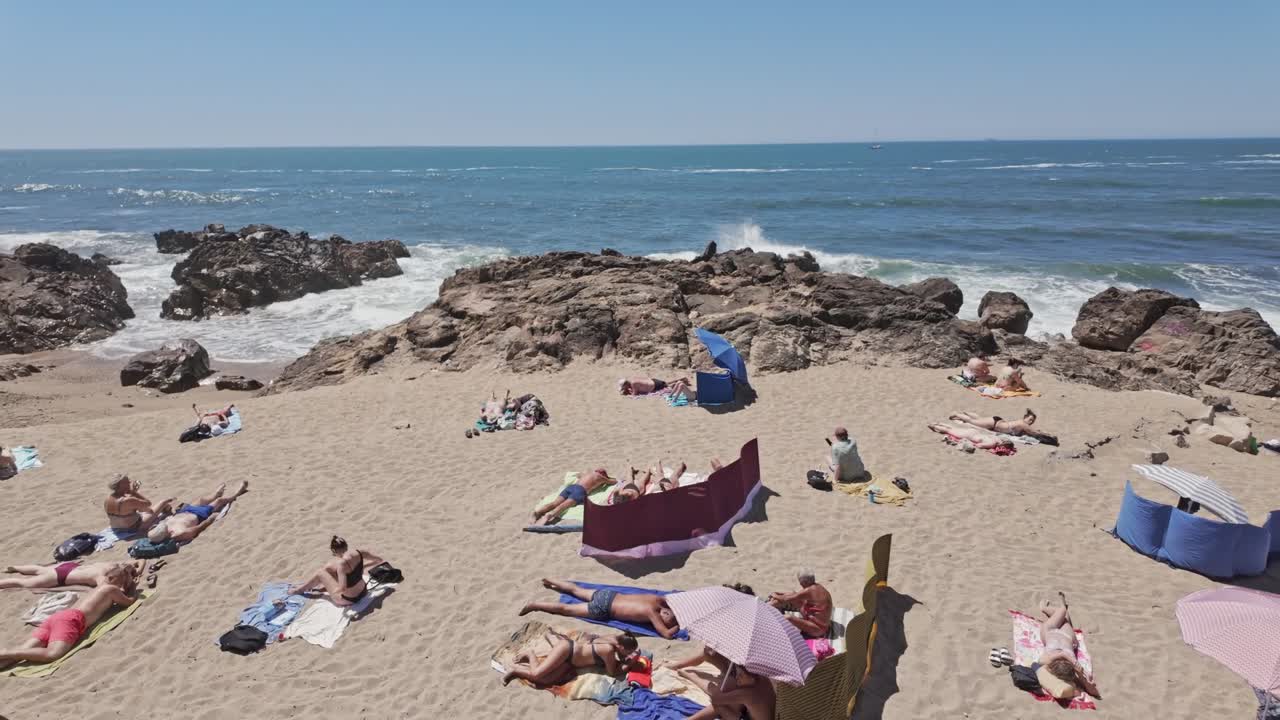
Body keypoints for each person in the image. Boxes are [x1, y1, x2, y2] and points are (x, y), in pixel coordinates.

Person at [0, 569, 137, 669]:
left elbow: (124, 569)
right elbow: (129, 602)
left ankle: (5, 657)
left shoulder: (101, 583)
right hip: (72, 620)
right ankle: (6, 651)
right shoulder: (111, 589)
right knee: (52, 654)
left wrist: (127, 575)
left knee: (23, 652)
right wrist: (132, 586)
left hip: (58, 617)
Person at [520, 579, 682, 639]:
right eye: (667, 620)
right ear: (665, 613)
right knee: (565, 609)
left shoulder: (656, 599)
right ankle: (535, 605)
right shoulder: (651, 613)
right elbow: (666, 635)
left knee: (576, 590)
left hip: (608, 594)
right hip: (604, 607)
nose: (665, 622)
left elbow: (670, 597)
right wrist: (678, 626)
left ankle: (550, 580)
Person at [502, 630, 639, 686]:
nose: (629, 654)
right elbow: (612, 672)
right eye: (629, 651)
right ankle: (529, 655)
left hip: (571, 659)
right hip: (567, 651)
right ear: (621, 647)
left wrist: (626, 659)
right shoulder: (609, 650)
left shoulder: (613, 639)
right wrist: (631, 663)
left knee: (547, 680)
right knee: (537, 674)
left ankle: (516, 670)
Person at [1036, 592, 1102, 698]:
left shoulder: (1047, 660)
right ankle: (1058, 606)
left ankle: (1044, 608)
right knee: (1064, 615)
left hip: (1050, 630)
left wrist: (1074, 663)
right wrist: (1082, 676)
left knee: (1062, 611)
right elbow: (1095, 693)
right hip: (1067, 636)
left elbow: (1063, 654)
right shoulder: (1073, 670)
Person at [288, 535, 385, 606]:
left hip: (349, 599)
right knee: (331, 571)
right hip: (364, 591)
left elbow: (342, 588)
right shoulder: (360, 552)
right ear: (346, 546)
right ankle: (317, 587)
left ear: (334, 551)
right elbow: (379, 560)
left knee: (320, 573)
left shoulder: (341, 565)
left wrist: (333, 590)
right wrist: (362, 567)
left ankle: (298, 590)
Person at [147, 481, 248, 544]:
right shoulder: (178, 534)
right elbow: (197, 529)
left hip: (184, 511)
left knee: (200, 500)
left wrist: (167, 511)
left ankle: (215, 494)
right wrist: (210, 520)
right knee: (219, 501)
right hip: (198, 515)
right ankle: (237, 493)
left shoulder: (161, 528)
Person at [682, 664, 776, 720]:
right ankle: (691, 676)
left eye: (741, 675)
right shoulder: (764, 680)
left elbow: (716, 699)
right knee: (731, 689)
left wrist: (719, 687)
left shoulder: (747, 693)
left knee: (720, 706)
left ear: (752, 678)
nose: (737, 677)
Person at [532, 468, 616, 525]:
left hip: (571, 487)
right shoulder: (600, 477)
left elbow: (578, 475)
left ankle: (538, 512)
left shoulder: (587, 474)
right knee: (563, 506)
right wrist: (610, 479)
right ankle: (549, 516)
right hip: (580, 491)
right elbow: (612, 482)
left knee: (554, 503)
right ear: (603, 474)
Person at [767, 570, 833, 639]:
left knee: (788, 618)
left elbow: (786, 599)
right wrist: (778, 595)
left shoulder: (809, 591)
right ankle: (769, 606)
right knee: (792, 596)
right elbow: (792, 596)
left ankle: (768, 618)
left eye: (801, 583)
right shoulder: (817, 587)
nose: (800, 585)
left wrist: (773, 594)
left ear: (805, 582)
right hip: (816, 619)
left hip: (818, 629)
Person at [1, 560, 143, 591]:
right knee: (23, 583)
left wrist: (136, 572)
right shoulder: (100, 576)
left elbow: (139, 561)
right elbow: (106, 590)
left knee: (39, 569)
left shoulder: (110, 565)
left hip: (69, 566)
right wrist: (134, 580)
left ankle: (16, 567)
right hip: (60, 577)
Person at [105, 474, 174, 534]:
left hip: (116, 527)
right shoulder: (129, 500)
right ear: (121, 485)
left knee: (145, 510)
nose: (130, 482)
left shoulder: (108, 498)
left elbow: (124, 506)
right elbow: (148, 503)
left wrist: (131, 492)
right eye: (127, 482)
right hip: (134, 527)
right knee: (164, 502)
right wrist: (133, 492)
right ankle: (168, 512)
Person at [927, 422, 1014, 450]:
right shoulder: (992, 443)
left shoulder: (996, 438)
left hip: (974, 432)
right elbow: (979, 445)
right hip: (970, 435)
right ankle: (934, 426)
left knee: (954, 429)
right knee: (949, 431)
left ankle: (940, 423)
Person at [950, 408, 1037, 436]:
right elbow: (1033, 432)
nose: (1031, 422)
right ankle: (957, 414)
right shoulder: (1023, 423)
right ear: (1025, 417)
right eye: (1030, 419)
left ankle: (967, 413)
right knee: (972, 421)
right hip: (994, 423)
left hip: (996, 422)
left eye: (1032, 421)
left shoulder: (1021, 423)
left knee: (979, 419)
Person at [618, 376, 693, 398]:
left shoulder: (633, 384)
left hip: (654, 386)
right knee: (666, 383)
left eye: (623, 387)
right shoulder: (633, 380)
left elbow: (634, 395)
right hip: (653, 380)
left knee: (668, 386)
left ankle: (681, 382)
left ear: (626, 385)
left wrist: (628, 394)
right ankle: (680, 379)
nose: (624, 389)